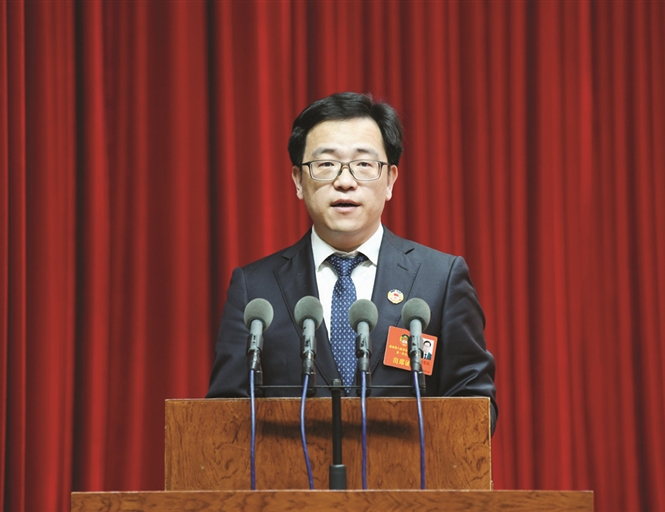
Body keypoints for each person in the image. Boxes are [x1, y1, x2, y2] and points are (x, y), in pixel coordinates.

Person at [206, 92, 497, 432]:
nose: (345, 181)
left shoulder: (440, 280)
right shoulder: (255, 289)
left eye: (363, 164)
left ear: (390, 180)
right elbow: (225, 417)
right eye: (326, 164)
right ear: (298, 180)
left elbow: (474, 406)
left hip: (408, 467)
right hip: (293, 468)